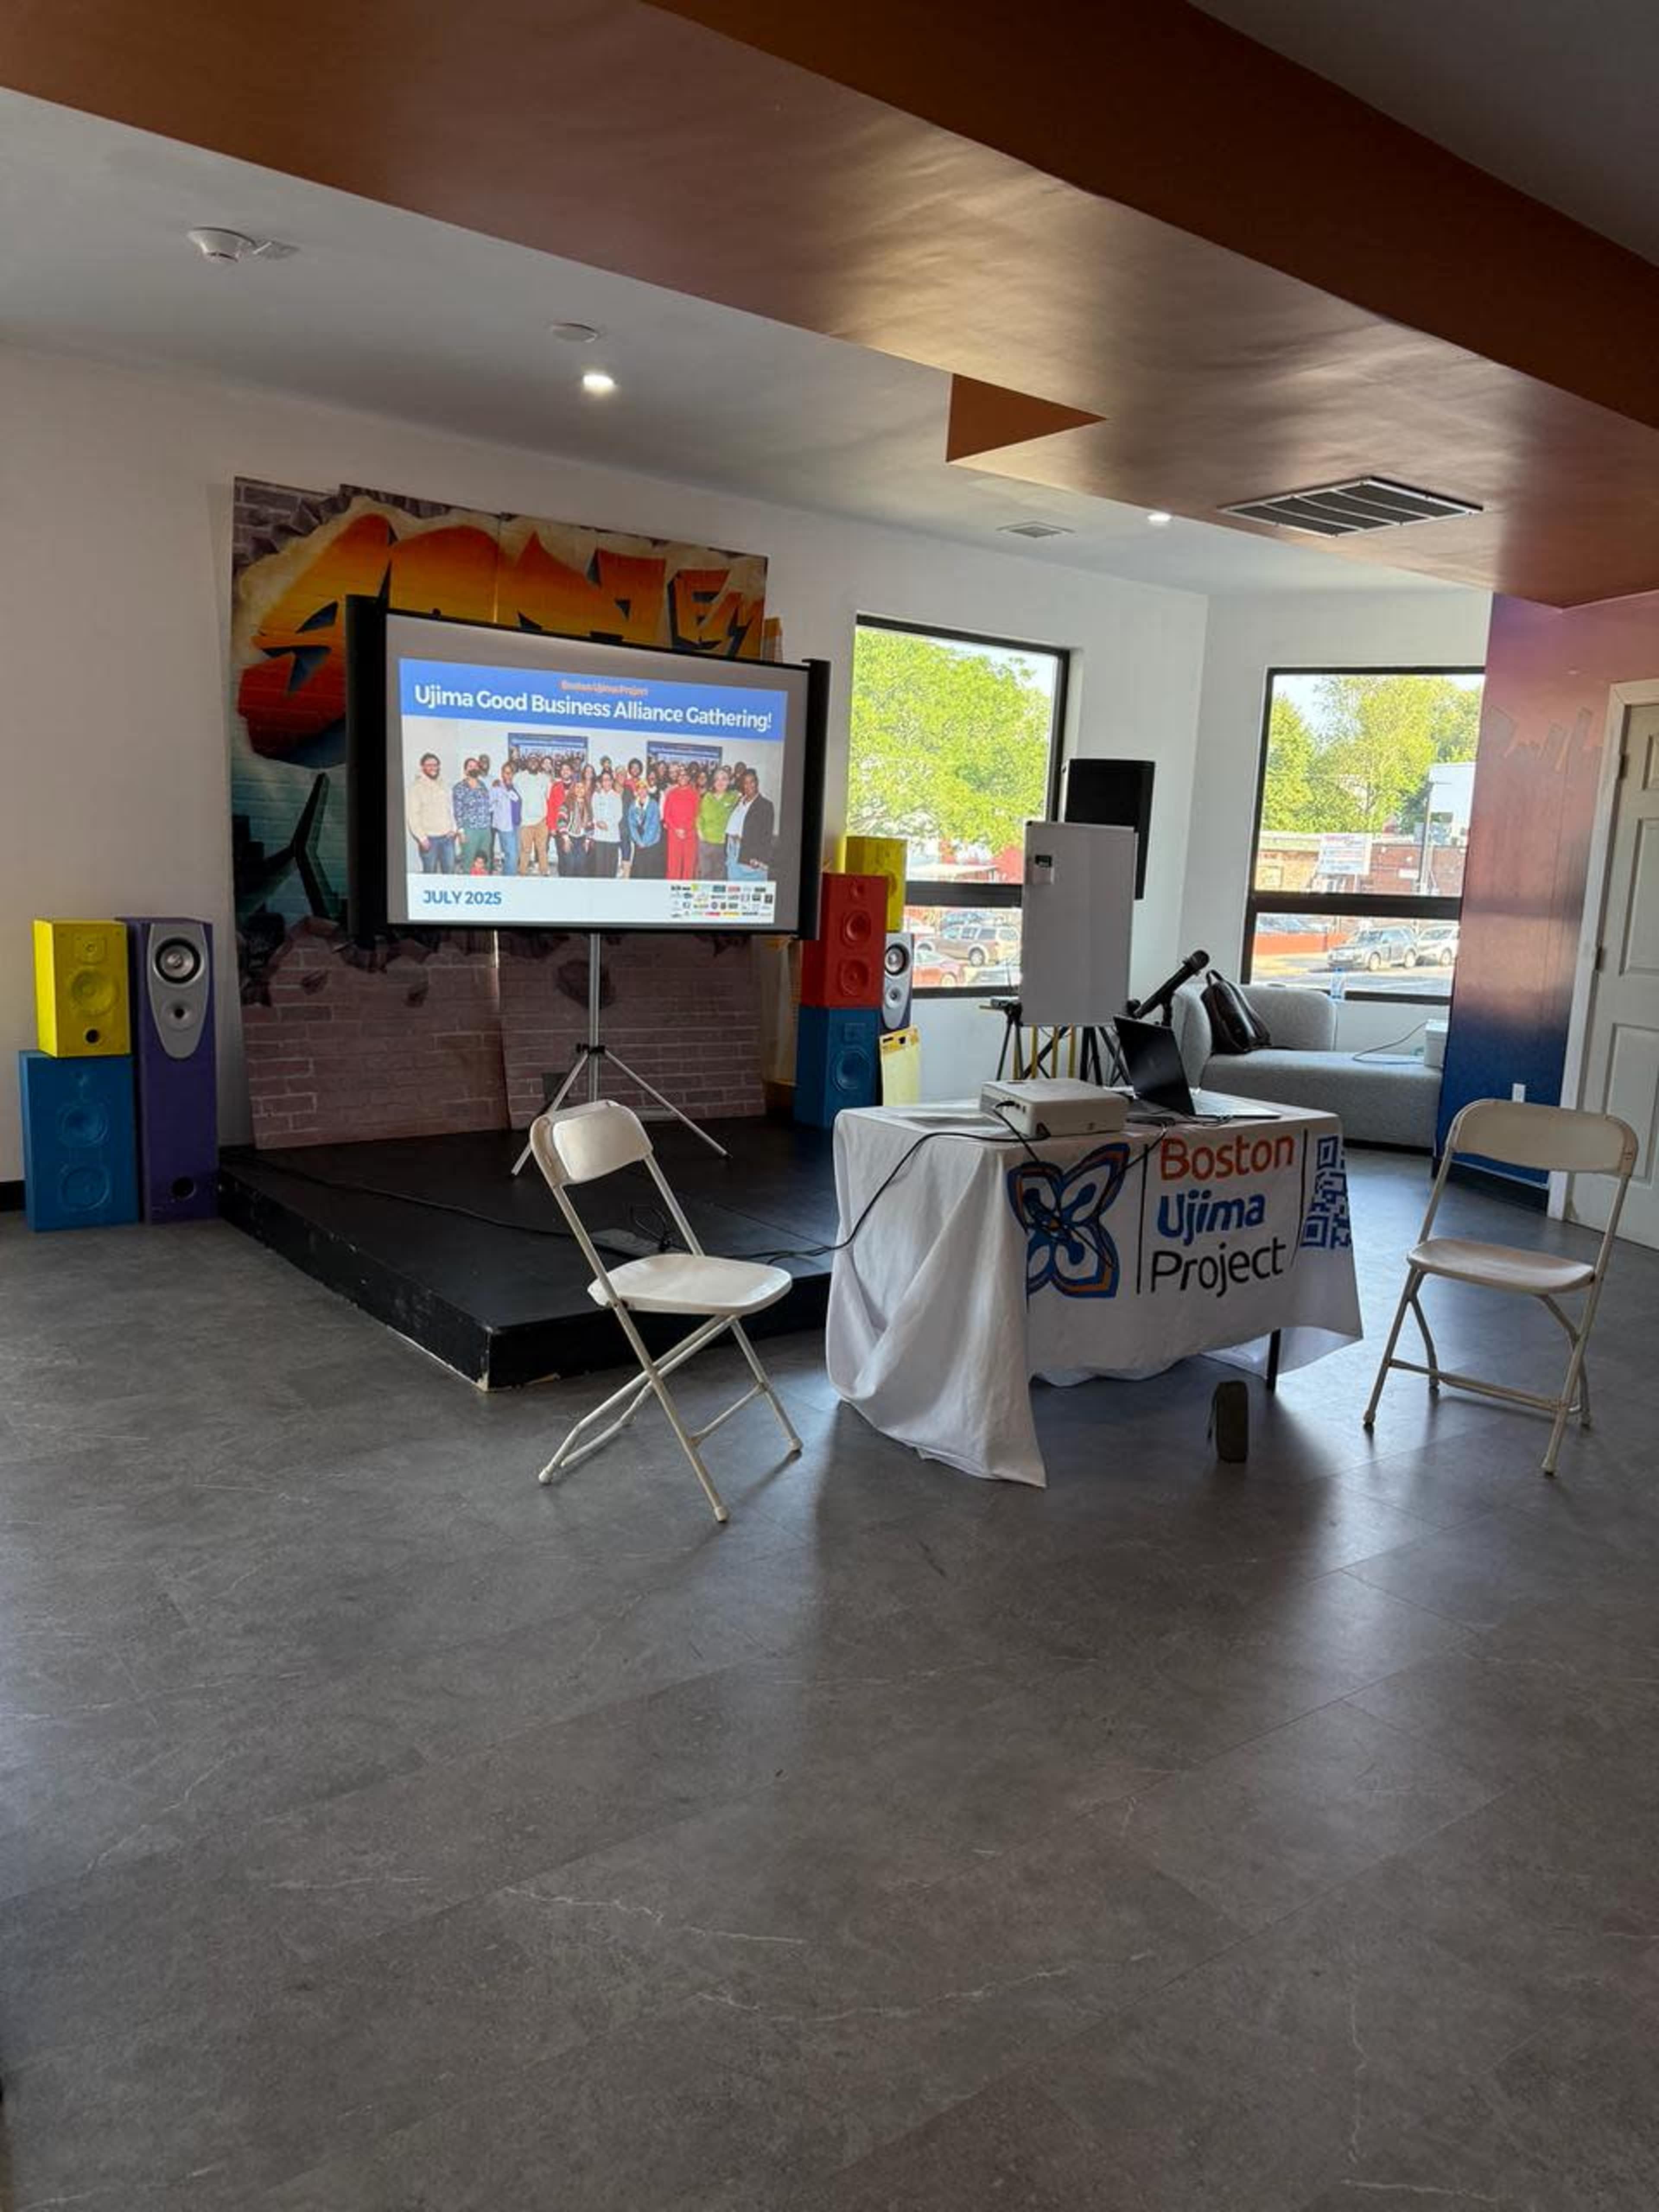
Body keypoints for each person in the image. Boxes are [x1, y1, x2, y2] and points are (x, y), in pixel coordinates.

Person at [408, 751, 458, 873]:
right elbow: (413, 815)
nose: (433, 768)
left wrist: (454, 829)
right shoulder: (416, 788)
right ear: (423, 767)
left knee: (450, 872)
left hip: (448, 838)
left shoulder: (443, 785)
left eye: (435, 765)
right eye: (429, 765)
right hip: (430, 840)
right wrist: (422, 838)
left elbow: (450, 808)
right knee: (430, 873)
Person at [728, 768, 774, 880]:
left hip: (750, 853)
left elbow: (766, 835)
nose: (749, 786)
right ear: (742, 785)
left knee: (752, 889)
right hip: (733, 851)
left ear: (757, 783)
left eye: (752, 782)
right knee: (734, 888)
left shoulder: (765, 805)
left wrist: (760, 858)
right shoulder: (739, 802)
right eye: (746, 783)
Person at [696, 764, 739, 880]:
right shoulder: (708, 797)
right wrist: (700, 834)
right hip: (705, 843)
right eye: (717, 779)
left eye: (724, 779)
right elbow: (700, 817)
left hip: (723, 844)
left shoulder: (734, 797)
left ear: (729, 781)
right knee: (704, 875)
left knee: (719, 877)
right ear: (714, 782)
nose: (720, 782)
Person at [452, 759, 493, 874]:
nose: (473, 768)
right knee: (469, 861)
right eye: (470, 766)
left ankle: (485, 887)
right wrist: (461, 832)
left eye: (475, 766)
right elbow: (458, 811)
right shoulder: (460, 788)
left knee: (485, 861)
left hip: (485, 829)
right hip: (470, 830)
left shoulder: (483, 785)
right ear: (465, 770)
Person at [661, 762, 700, 880]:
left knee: (689, 866)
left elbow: (698, 815)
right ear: (677, 778)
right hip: (674, 834)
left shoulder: (695, 794)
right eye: (680, 775)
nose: (683, 778)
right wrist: (676, 829)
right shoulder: (671, 794)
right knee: (673, 866)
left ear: (689, 778)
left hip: (690, 834)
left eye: (685, 775)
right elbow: (667, 816)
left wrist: (686, 829)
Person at [515, 753, 552, 875]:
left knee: (542, 850)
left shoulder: (545, 779)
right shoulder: (519, 777)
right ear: (527, 763)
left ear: (539, 763)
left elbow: (548, 797)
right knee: (525, 850)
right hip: (525, 821)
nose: (533, 763)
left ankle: (544, 872)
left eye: (536, 761)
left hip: (542, 820)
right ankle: (522, 873)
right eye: (531, 761)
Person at [557, 764, 594, 876]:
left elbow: (590, 824)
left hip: (582, 839)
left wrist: (588, 841)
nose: (580, 790)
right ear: (573, 789)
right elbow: (561, 821)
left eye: (582, 787)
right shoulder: (567, 804)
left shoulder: (588, 805)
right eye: (577, 787)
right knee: (570, 866)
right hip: (570, 838)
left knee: (581, 866)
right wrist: (566, 839)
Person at [626, 777, 663, 878]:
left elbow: (654, 825)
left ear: (647, 790)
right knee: (639, 871)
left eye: (644, 788)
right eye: (639, 788)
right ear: (637, 791)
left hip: (652, 843)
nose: (642, 791)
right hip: (639, 844)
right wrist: (639, 841)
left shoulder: (654, 804)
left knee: (650, 871)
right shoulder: (633, 805)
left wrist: (645, 842)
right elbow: (631, 825)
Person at [591, 767, 623, 878]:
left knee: (611, 868)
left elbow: (619, 815)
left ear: (612, 781)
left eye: (609, 780)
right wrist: (598, 823)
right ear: (601, 782)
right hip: (599, 836)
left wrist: (608, 825)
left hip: (613, 836)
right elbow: (593, 811)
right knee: (599, 868)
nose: (607, 783)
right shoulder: (596, 795)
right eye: (604, 780)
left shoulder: (617, 796)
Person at [490, 760, 520, 876]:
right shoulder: (497, 788)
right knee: (512, 856)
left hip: (516, 825)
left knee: (513, 855)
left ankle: (507, 877)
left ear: (513, 774)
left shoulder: (516, 787)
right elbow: (490, 805)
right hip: (505, 827)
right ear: (502, 774)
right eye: (506, 773)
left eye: (510, 773)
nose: (508, 775)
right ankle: (510, 882)